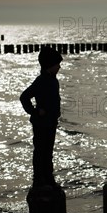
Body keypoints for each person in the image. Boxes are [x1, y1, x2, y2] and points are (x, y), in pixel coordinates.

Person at [20, 47, 63, 187]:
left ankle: (48, 177)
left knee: (48, 152)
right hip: (40, 124)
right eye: (57, 64)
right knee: (40, 152)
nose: (59, 67)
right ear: (50, 66)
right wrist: (35, 111)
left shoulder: (53, 80)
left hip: (51, 123)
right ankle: (39, 178)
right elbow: (24, 97)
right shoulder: (41, 81)